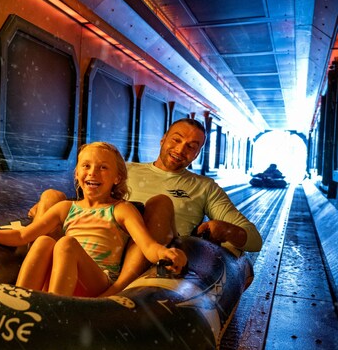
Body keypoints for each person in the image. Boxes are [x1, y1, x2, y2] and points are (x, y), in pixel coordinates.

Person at [30, 118, 262, 296]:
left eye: (192, 146)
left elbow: (254, 240)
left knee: (159, 203)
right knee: (51, 196)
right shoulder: (123, 170)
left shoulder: (204, 187)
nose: (181, 150)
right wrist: (48, 208)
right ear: (163, 139)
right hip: (98, 247)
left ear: (198, 153)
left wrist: (227, 230)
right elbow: (87, 202)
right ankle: (25, 276)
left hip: (149, 250)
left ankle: (120, 289)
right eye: (176, 139)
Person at [0, 142, 187, 297]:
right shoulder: (67, 208)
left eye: (103, 168)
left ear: (117, 178)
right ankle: (20, 302)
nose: (93, 173)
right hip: (63, 278)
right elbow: (23, 235)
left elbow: (147, 245)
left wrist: (165, 254)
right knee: (44, 241)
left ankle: (55, 311)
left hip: (97, 280)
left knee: (65, 243)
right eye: (86, 166)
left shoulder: (121, 209)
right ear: (77, 173)